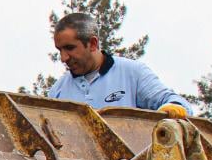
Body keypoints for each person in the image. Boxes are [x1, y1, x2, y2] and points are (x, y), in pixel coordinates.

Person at [47, 12, 190, 116]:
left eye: (70, 48)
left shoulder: (133, 74)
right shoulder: (57, 92)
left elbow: (176, 102)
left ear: (92, 43)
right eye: (59, 50)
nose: (63, 58)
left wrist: (173, 110)